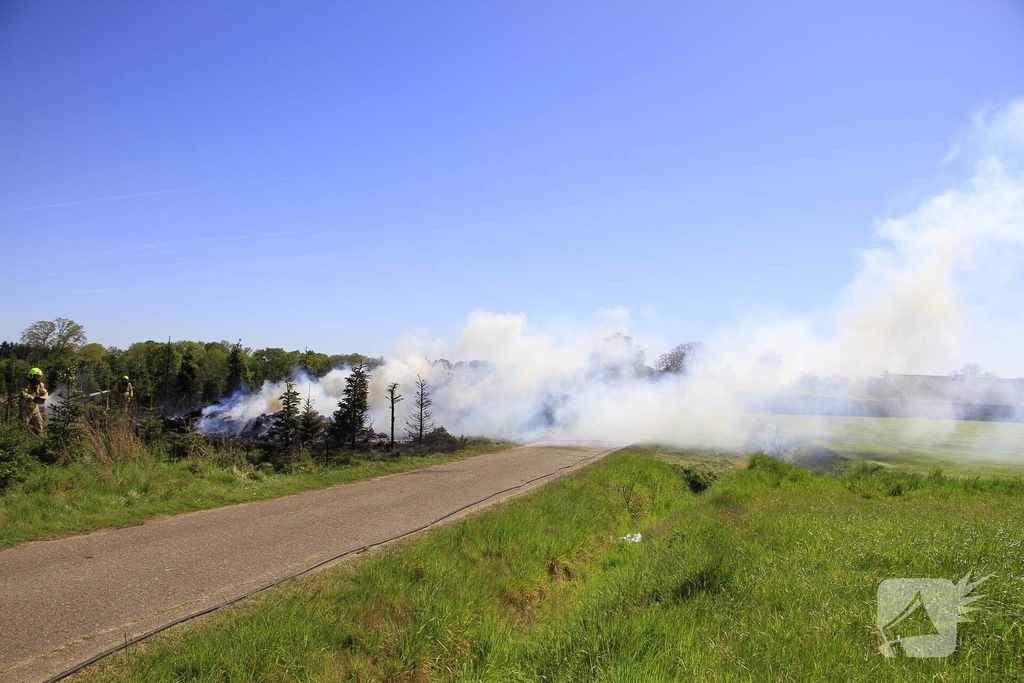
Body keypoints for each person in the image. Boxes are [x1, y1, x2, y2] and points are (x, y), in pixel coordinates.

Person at [22, 367, 48, 436]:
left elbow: (45, 392)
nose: (38, 378)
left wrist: (43, 397)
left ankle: (40, 438)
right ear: (31, 376)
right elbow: (23, 393)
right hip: (25, 406)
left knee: (39, 423)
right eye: (36, 376)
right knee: (24, 423)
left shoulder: (40, 384)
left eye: (39, 377)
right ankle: (21, 439)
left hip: (34, 407)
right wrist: (33, 398)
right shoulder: (27, 383)